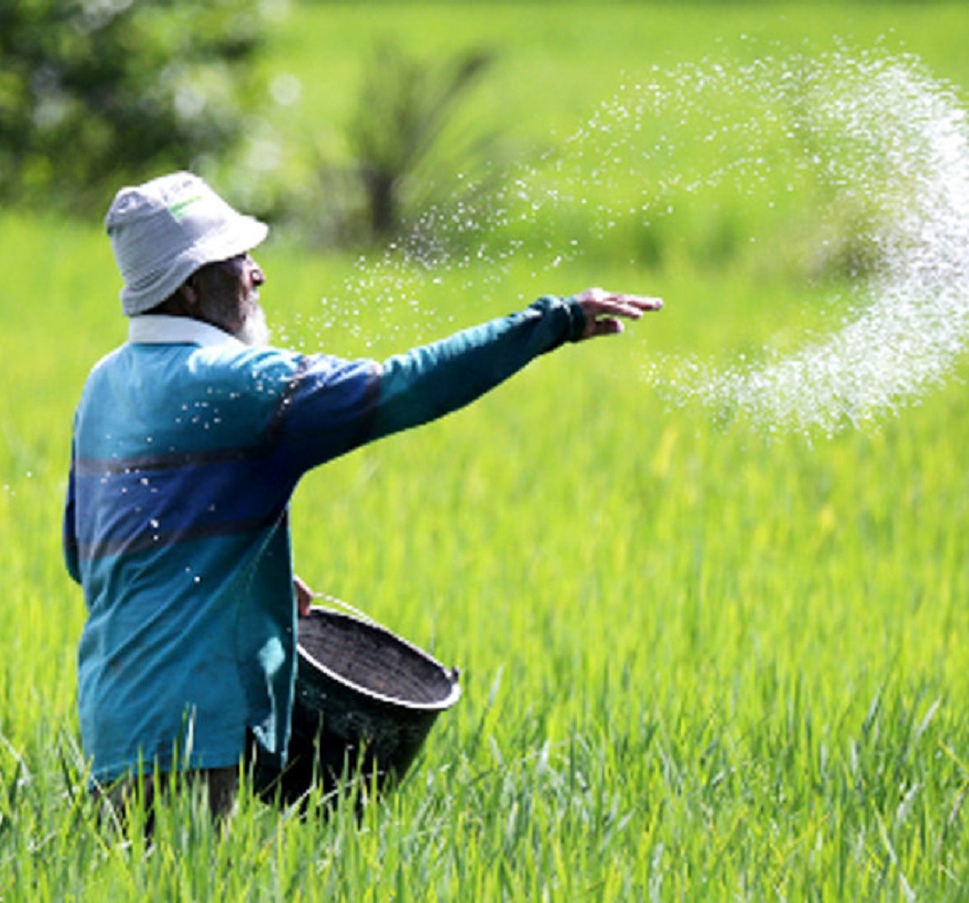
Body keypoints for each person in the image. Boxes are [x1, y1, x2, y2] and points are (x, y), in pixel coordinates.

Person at [63, 171, 661, 827]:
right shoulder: (240, 384)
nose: (257, 274)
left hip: (114, 717)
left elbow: (88, 551)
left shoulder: (105, 384)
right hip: (195, 721)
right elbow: (400, 387)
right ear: (189, 286)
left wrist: (243, 572)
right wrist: (555, 321)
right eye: (238, 259)